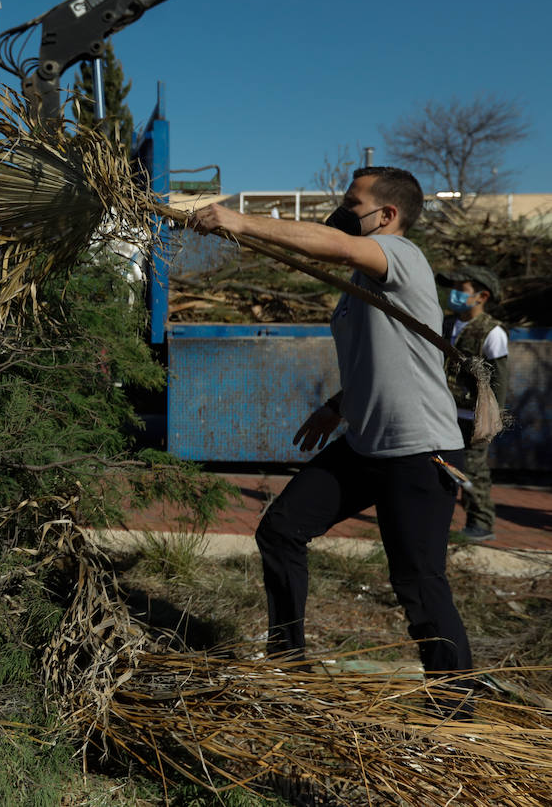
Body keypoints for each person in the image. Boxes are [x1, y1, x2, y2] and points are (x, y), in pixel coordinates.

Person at [187, 166, 473, 690]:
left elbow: (336, 246)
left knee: (418, 583)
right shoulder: (363, 282)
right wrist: (338, 406)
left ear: (387, 215)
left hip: (419, 451)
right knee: (281, 530)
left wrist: (239, 222)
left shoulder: (401, 257)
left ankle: (456, 705)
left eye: (352, 203)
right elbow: (389, 357)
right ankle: (288, 658)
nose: (343, 212)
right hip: (365, 444)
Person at [435, 265, 509, 542]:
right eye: (451, 288)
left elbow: (499, 379)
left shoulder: (492, 332)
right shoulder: (445, 323)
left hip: (472, 415)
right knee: (441, 465)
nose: (452, 294)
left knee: (473, 471)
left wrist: (491, 419)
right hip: (442, 410)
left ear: (481, 296)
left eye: (461, 289)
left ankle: (481, 522)